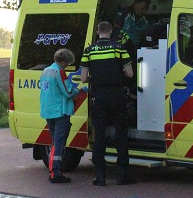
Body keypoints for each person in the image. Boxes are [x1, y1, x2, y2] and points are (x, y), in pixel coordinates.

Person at [79, 21, 134, 186]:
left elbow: (83, 78)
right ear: (111, 31)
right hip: (117, 96)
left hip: (99, 97)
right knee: (121, 134)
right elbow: (130, 74)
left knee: (100, 135)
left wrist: (95, 79)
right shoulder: (118, 48)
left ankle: (100, 176)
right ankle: (122, 175)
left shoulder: (89, 51)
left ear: (97, 32)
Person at [39, 48, 79, 184]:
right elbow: (68, 92)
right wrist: (79, 90)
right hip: (59, 111)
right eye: (68, 63)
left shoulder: (46, 71)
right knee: (59, 143)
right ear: (64, 61)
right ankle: (55, 173)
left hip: (48, 111)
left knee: (54, 142)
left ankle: (53, 171)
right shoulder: (59, 72)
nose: (67, 66)